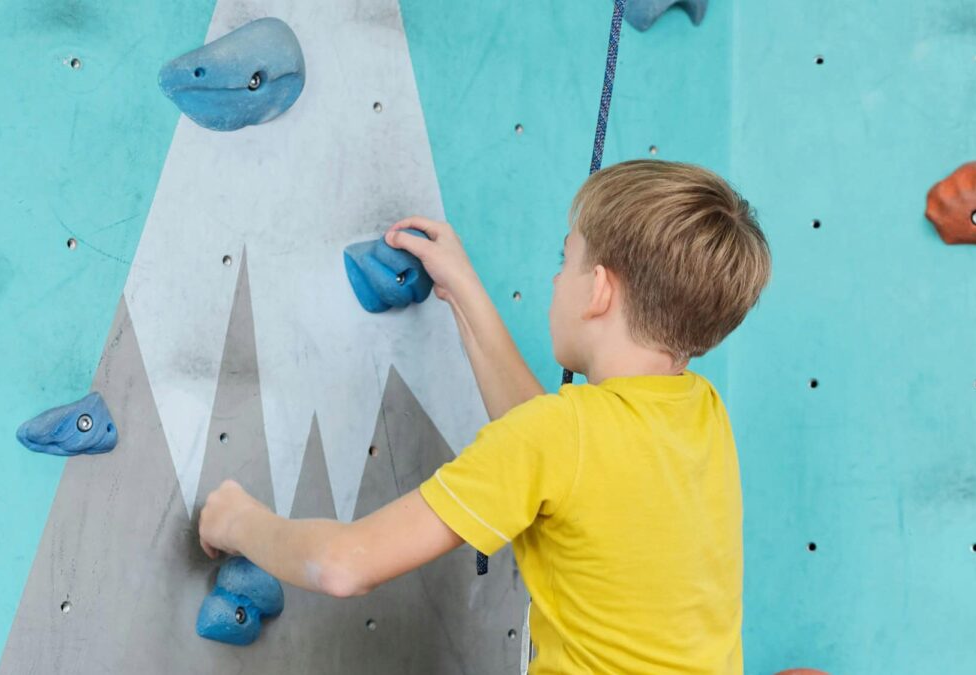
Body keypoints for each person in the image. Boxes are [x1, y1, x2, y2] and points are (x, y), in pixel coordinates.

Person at [199, 159, 772, 673]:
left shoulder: (558, 437)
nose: (554, 279)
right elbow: (550, 456)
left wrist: (236, 522)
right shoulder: (700, 411)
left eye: (564, 259)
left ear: (597, 291)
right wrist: (463, 292)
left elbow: (344, 566)